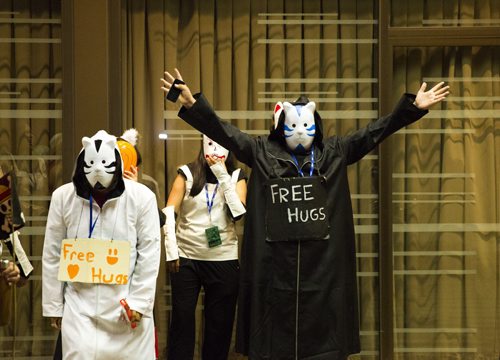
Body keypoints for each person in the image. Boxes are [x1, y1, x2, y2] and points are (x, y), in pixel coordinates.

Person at [161, 68, 449, 360]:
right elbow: (225, 131)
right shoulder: (262, 151)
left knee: (322, 341)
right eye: (293, 125)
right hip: (275, 267)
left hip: (321, 267)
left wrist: (411, 108)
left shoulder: (334, 152)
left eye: (305, 125)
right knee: (274, 341)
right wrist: (191, 105)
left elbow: (374, 133)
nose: (299, 131)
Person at [42, 129, 161, 359]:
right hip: (80, 307)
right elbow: (52, 253)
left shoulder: (142, 197)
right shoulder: (63, 197)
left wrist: (139, 302)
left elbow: (149, 251)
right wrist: (54, 305)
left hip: (125, 307)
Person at [162, 134, 247, 359]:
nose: (216, 149)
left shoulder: (237, 175)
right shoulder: (187, 173)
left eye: (222, 145)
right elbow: (169, 212)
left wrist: (222, 175)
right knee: (182, 321)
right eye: (210, 143)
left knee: (219, 326)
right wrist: (171, 251)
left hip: (223, 258)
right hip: (187, 257)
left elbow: (238, 213)